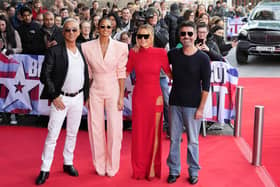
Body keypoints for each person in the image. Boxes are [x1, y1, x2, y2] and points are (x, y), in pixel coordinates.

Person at [35, 18, 90, 185]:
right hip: (61, 99)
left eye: (74, 30)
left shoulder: (82, 50)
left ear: (79, 32)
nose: (71, 33)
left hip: (78, 98)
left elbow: (86, 74)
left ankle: (68, 162)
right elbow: (45, 75)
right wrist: (55, 95)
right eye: (67, 30)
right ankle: (45, 169)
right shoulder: (54, 51)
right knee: (53, 135)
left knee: (73, 133)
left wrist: (85, 96)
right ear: (62, 32)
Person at [81, 17, 128, 177]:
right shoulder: (86, 47)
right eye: (103, 26)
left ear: (112, 28)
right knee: (95, 128)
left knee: (115, 129)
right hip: (95, 90)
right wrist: (86, 95)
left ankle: (112, 165)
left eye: (109, 27)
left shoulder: (121, 47)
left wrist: (121, 96)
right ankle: (99, 165)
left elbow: (121, 73)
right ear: (97, 27)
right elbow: (87, 74)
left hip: (114, 88)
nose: (106, 29)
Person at [166, 21, 211, 185]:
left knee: (193, 140)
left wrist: (201, 108)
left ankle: (193, 171)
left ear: (195, 35)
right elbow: (159, 60)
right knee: (174, 139)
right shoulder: (173, 54)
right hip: (175, 103)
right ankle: (174, 170)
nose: (186, 37)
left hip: (193, 105)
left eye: (189, 34)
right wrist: (170, 74)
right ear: (179, 36)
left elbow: (206, 86)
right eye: (183, 34)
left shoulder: (203, 58)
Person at [126, 24, 172, 180]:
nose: (142, 39)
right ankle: (139, 168)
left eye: (146, 36)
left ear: (151, 37)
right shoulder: (133, 53)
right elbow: (124, 72)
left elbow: (169, 74)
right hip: (139, 98)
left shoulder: (160, 53)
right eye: (139, 36)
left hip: (156, 97)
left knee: (154, 133)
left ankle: (152, 166)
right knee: (139, 134)